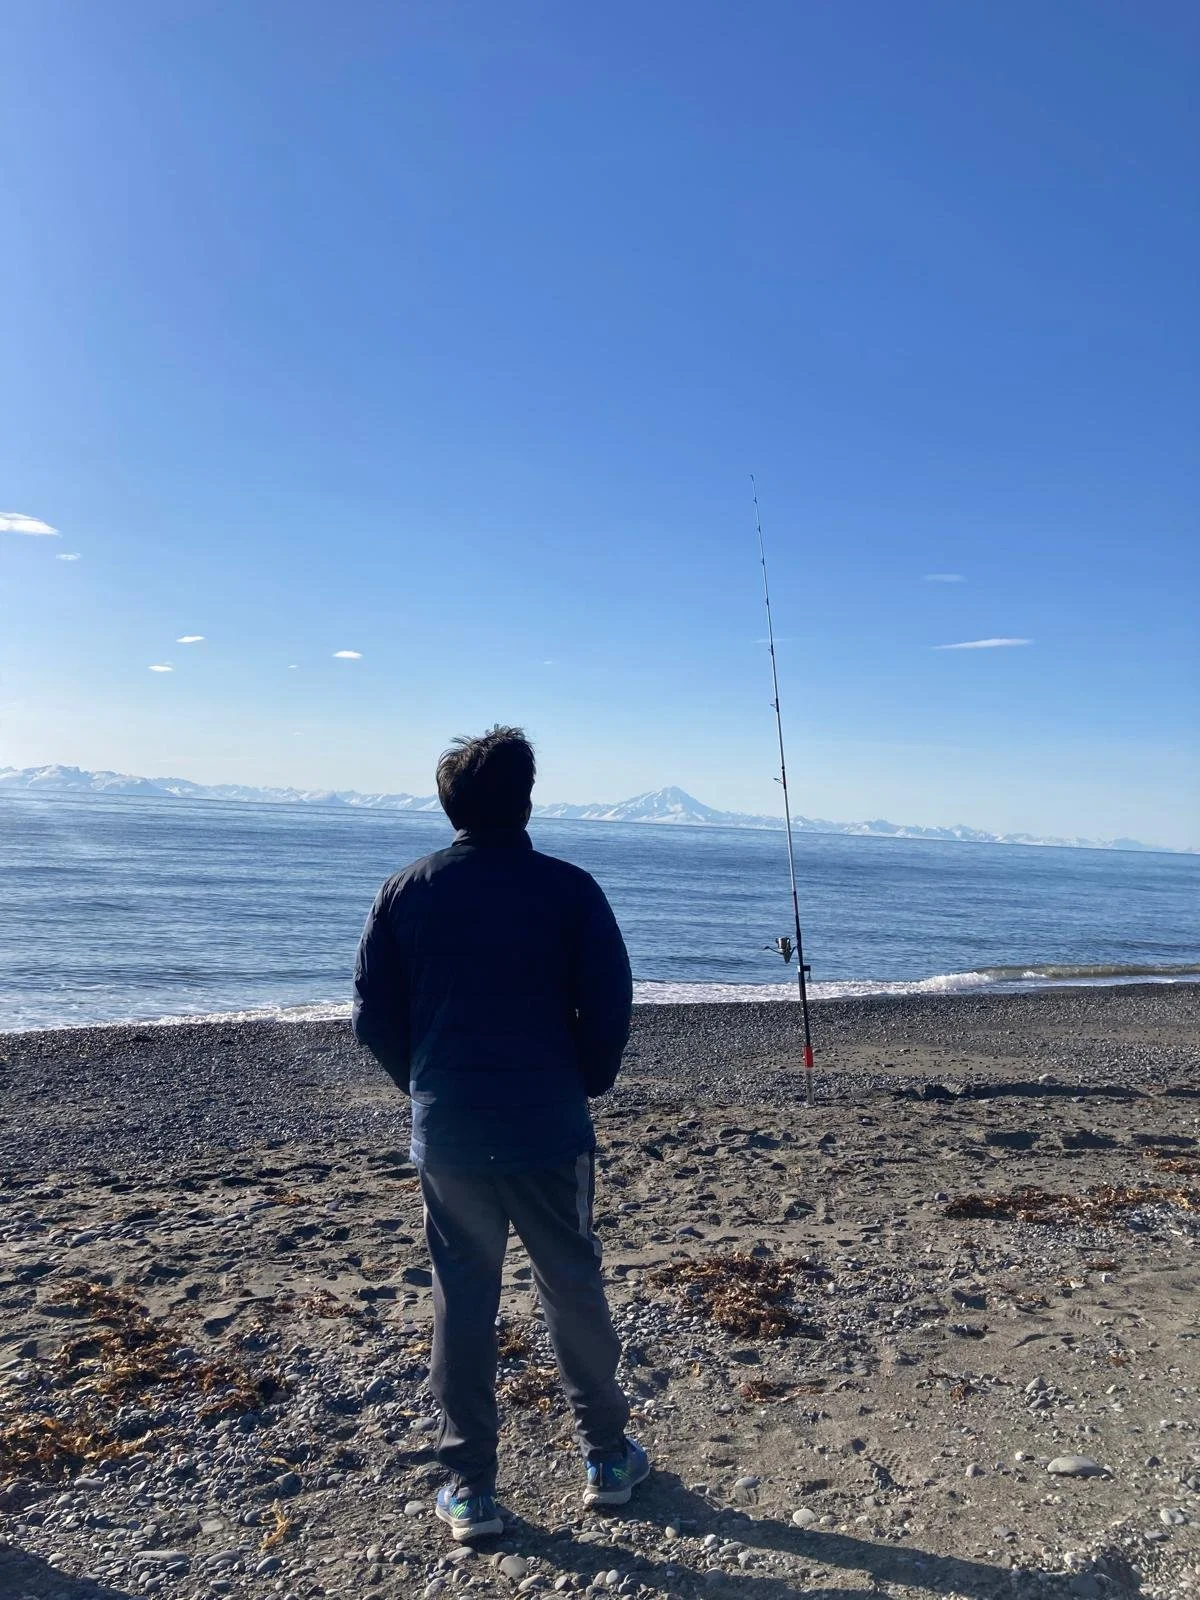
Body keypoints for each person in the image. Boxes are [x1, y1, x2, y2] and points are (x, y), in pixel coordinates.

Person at [352, 725, 648, 1541]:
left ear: (450, 805)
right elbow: (610, 1005)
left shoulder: (406, 891)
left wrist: (425, 1087)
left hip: (450, 1131)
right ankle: (607, 1457)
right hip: (549, 1126)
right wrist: (586, 1079)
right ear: (525, 800)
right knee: (572, 1287)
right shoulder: (569, 890)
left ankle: (472, 1488)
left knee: (464, 1301)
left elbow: (373, 1018)